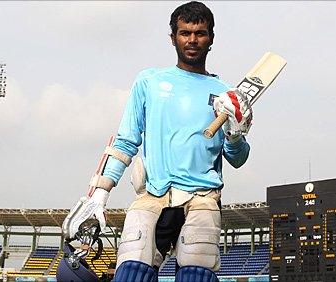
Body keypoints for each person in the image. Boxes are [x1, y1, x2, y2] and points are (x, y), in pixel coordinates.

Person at [61, 1, 253, 281]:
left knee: (196, 276)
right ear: (172, 37)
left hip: (202, 198)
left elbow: (237, 158)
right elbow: (126, 141)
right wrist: (100, 193)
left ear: (211, 38)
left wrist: (236, 133)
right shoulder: (149, 81)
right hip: (154, 196)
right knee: (131, 275)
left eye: (200, 33)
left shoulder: (227, 94)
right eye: (185, 32)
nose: (192, 40)